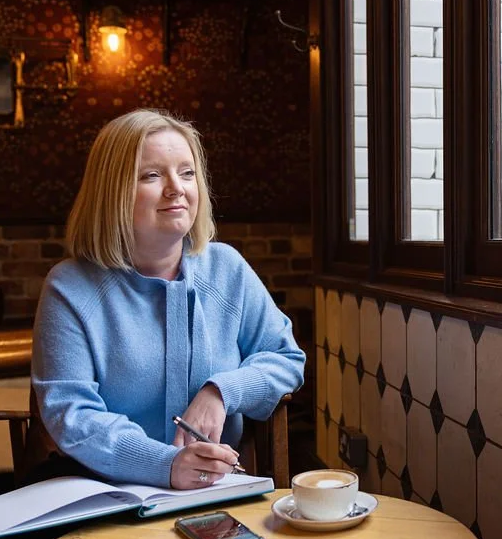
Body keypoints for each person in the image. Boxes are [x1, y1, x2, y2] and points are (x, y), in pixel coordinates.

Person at [31, 108, 306, 489]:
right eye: (152, 175)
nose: (176, 187)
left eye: (187, 172)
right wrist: (166, 464)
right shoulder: (70, 287)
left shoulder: (226, 268)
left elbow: (286, 358)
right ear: (112, 191)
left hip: (212, 489)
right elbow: (71, 412)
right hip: (105, 492)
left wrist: (222, 390)